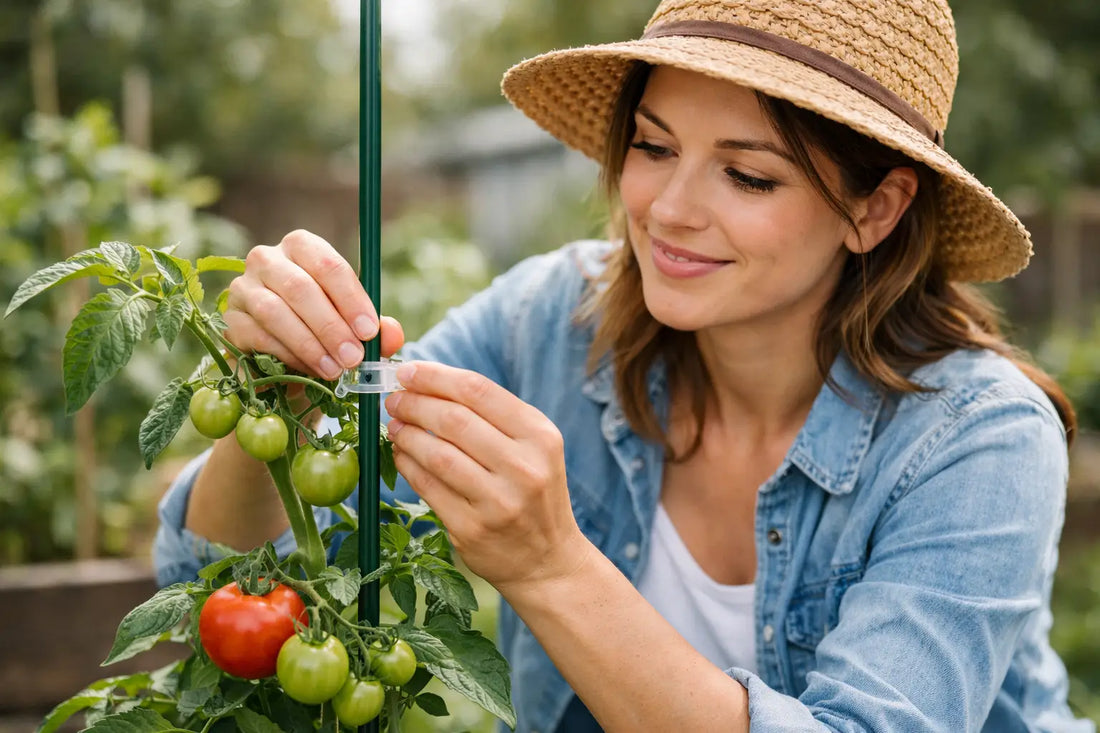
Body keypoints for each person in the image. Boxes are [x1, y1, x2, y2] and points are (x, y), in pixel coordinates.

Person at [154, 0, 1095, 730]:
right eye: (653, 147)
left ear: (876, 210)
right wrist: (273, 394)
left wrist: (553, 567)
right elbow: (217, 565)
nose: (669, 209)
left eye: (748, 174)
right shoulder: (552, 322)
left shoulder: (975, 438)